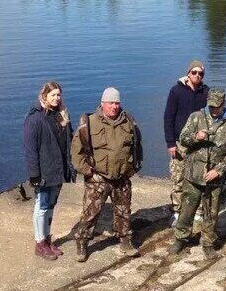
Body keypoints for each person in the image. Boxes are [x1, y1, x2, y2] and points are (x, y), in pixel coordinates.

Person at [71, 87, 143, 262]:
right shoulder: (89, 123)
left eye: (117, 103)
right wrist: (87, 171)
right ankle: (82, 242)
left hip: (121, 178)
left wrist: (132, 169)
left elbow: (137, 148)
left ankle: (125, 242)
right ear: (102, 103)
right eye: (110, 103)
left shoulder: (129, 123)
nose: (114, 106)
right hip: (98, 178)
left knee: (123, 212)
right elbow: (76, 152)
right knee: (90, 213)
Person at [170, 88, 226, 260]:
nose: (214, 109)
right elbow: (183, 137)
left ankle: (208, 243)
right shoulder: (196, 117)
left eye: (217, 106)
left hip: (214, 179)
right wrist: (196, 136)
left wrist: (218, 170)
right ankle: (181, 238)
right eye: (211, 106)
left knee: (211, 213)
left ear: (223, 104)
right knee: (187, 209)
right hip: (193, 175)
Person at [22, 81, 75, 261]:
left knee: (51, 206)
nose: (56, 98)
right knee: (42, 206)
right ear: (44, 96)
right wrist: (34, 175)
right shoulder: (35, 118)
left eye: (58, 95)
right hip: (44, 172)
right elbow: (30, 149)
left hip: (58, 170)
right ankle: (40, 243)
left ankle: (47, 238)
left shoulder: (61, 115)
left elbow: (70, 139)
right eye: (53, 95)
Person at [163, 60, 210, 223]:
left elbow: (211, 116)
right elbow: (168, 117)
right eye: (194, 72)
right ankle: (177, 211)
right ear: (188, 73)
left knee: (199, 178)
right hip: (180, 143)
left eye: (200, 73)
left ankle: (197, 212)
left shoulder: (206, 92)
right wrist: (170, 143)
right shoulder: (176, 91)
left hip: (200, 144)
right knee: (178, 178)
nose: (197, 76)